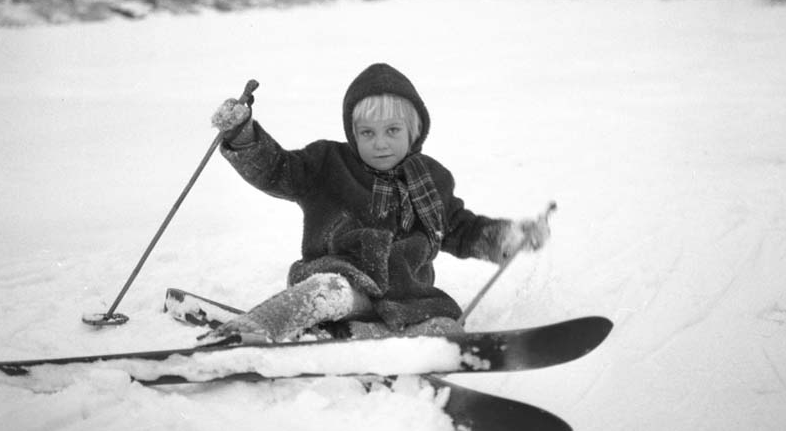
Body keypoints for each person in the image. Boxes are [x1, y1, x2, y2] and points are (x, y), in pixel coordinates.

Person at [210, 63, 550, 341]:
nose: (380, 143)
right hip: (342, 279)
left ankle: (362, 336)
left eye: (392, 131)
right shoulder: (327, 164)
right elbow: (276, 170)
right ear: (352, 133)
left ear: (414, 131)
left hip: (408, 299)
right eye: (367, 133)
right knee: (326, 291)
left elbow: (460, 229)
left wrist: (507, 237)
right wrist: (243, 137)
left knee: (444, 331)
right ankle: (249, 333)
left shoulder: (432, 180)